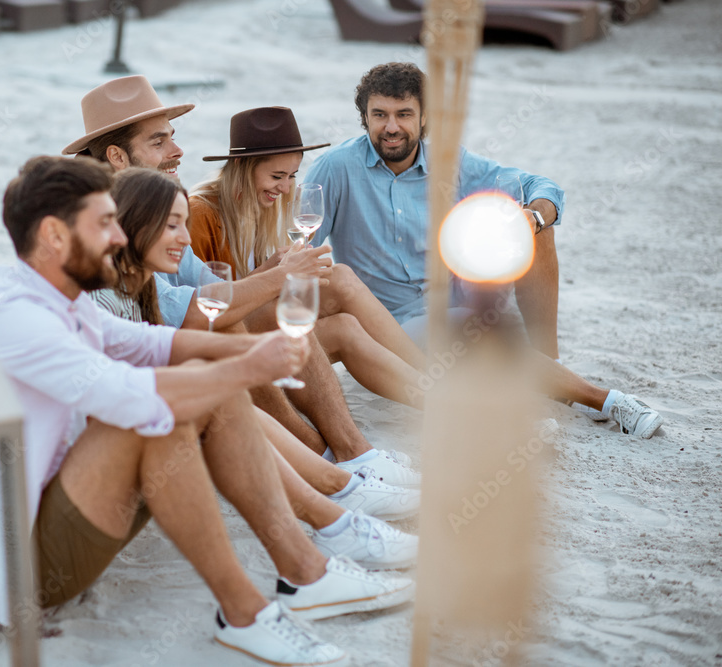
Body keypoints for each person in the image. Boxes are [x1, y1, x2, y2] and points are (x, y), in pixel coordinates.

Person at [0, 156, 416, 666]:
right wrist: (246, 368)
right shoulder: (16, 317)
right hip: (21, 565)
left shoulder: (52, 292)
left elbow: (144, 340)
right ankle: (271, 593)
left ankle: (304, 570)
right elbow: (128, 391)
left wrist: (247, 355)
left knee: (193, 393)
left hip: (67, 502)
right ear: (53, 234)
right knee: (163, 409)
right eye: (104, 224)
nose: (118, 239)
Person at [63, 75, 424, 486]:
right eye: (159, 142)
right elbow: (196, 312)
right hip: (150, 379)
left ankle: (375, 437)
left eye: (172, 138)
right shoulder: (105, 227)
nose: (178, 151)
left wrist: (274, 270)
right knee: (271, 318)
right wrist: (280, 278)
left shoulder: (143, 205)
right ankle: (334, 460)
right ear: (118, 156)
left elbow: (201, 282)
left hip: (183, 351)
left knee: (327, 298)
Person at [305, 62, 663, 439]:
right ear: (365, 117)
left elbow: (540, 185)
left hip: (460, 297)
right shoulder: (335, 169)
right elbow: (296, 249)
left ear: (425, 118)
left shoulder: (449, 161)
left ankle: (551, 366)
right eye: (379, 115)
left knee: (535, 229)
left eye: (403, 114)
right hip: (393, 323)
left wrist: (533, 217)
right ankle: (606, 400)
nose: (391, 127)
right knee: (471, 331)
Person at [90, 166, 421, 569]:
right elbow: (198, 314)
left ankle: (344, 478)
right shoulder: (105, 293)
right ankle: (335, 482)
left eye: (293, 175)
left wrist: (253, 350)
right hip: (103, 477)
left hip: (136, 427)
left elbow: (174, 330)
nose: (184, 236)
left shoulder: (130, 286)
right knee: (216, 388)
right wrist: (276, 288)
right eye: (172, 225)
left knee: (331, 322)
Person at [189, 106, 429, 411]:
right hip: (228, 341)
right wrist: (272, 272)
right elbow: (201, 308)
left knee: (340, 276)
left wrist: (293, 273)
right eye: (277, 176)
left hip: (258, 321)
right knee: (344, 328)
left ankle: (433, 382)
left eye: (291, 176)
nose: (286, 188)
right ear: (241, 166)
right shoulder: (200, 214)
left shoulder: (261, 208)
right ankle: (445, 404)